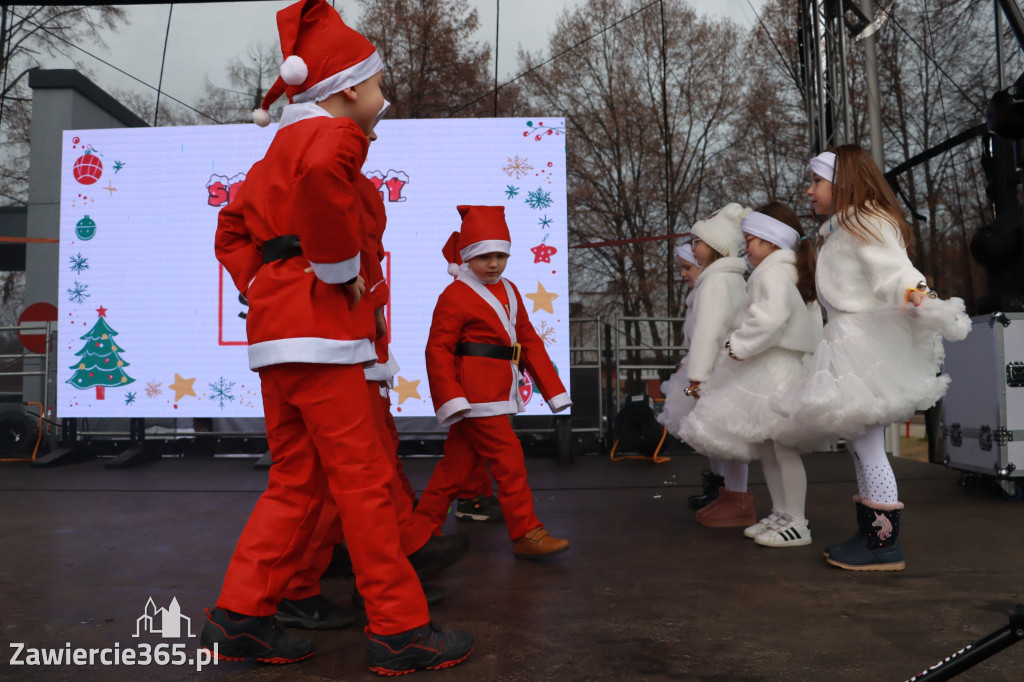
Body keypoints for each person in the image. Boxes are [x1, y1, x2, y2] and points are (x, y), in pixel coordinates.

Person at [201, 0, 472, 674]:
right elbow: (326, 184)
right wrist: (334, 270)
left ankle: (242, 616)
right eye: (379, 84)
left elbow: (229, 233)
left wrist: (265, 286)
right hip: (324, 339)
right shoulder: (338, 137)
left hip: (277, 342)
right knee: (363, 486)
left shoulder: (276, 149)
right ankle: (401, 629)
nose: (384, 97)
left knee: (295, 482)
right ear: (349, 87)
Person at [781, 145, 969, 570]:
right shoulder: (845, 226)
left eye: (816, 182)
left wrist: (915, 292)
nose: (808, 190)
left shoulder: (867, 221)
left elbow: (895, 269)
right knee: (859, 444)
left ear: (843, 182)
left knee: (867, 445)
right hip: (848, 340)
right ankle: (872, 532)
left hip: (862, 345)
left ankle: (883, 543)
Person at [406, 205, 572, 559]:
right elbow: (437, 349)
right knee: (509, 458)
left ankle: (417, 532)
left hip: (500, 390)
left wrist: (554, 391)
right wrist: (450, 397)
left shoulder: (510, 290)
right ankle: (527, 531)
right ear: (467, 257)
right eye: (483, 256)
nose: (493, 263)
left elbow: (528, 341)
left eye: (500, 255)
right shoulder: (454, 295)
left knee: (454, 470)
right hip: (476, 397)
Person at [679, 203, 823, 547]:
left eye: (752, 240)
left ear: (772, 241)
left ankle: (797, 520)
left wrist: (736, 344)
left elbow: (770, 319)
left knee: (781, 447)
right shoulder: (783, 271)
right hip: (772, 366)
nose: (746, 247)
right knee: (769, 447)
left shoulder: (773, 273)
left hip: (777, 369)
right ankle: (783, 512)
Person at [660, 204, 751, 527]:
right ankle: (730, 496)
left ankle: (738, 501)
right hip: (719, 369)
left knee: (729, 437)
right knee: (722, 435)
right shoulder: (725, 280)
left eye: (697, 241)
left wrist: (695, 377)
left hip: (715, 371)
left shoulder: (716, 283)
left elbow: (709, 334)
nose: (694, 246)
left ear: (714, 247)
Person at [656, 244, 716, 507]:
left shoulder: (709, 295)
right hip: (699, 371)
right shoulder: (697, 298)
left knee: (717, 433)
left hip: (712, 374)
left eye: (687, 268)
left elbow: (715, 339)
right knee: (710, 436)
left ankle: (727, 491)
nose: (682, 274)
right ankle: (719, 485)